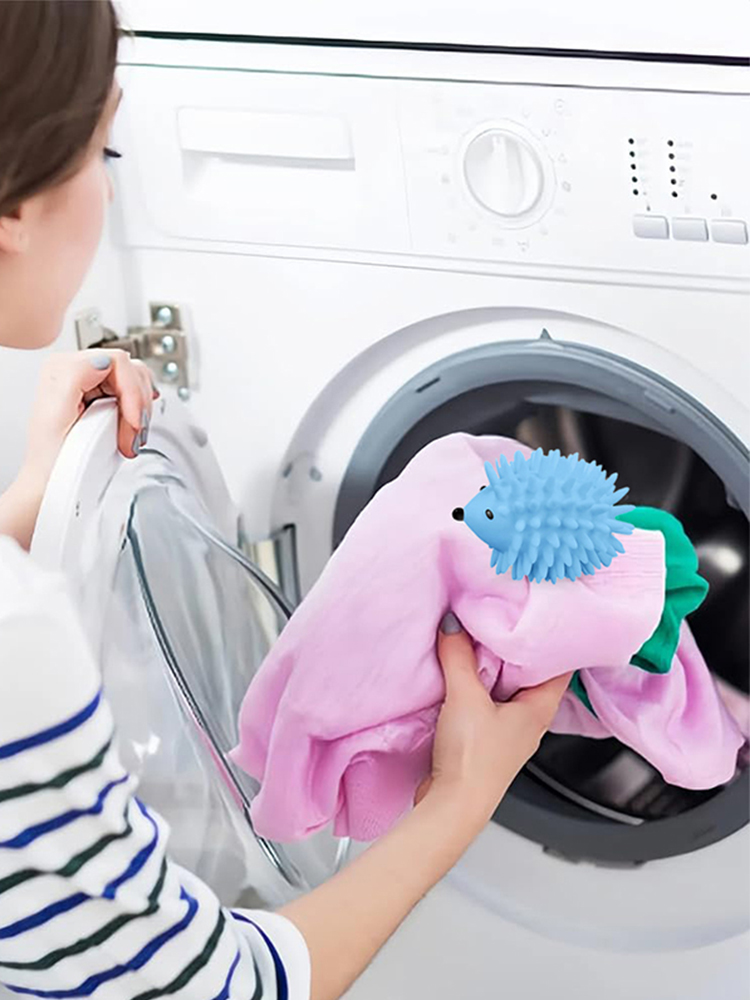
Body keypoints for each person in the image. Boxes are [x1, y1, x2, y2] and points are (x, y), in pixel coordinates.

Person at [0, 3, 570, 998]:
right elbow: (214, 989)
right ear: (12, 218)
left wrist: (32, 509)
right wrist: (459, 797)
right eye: (104, 151)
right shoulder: (19, 638)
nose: (108, 188)